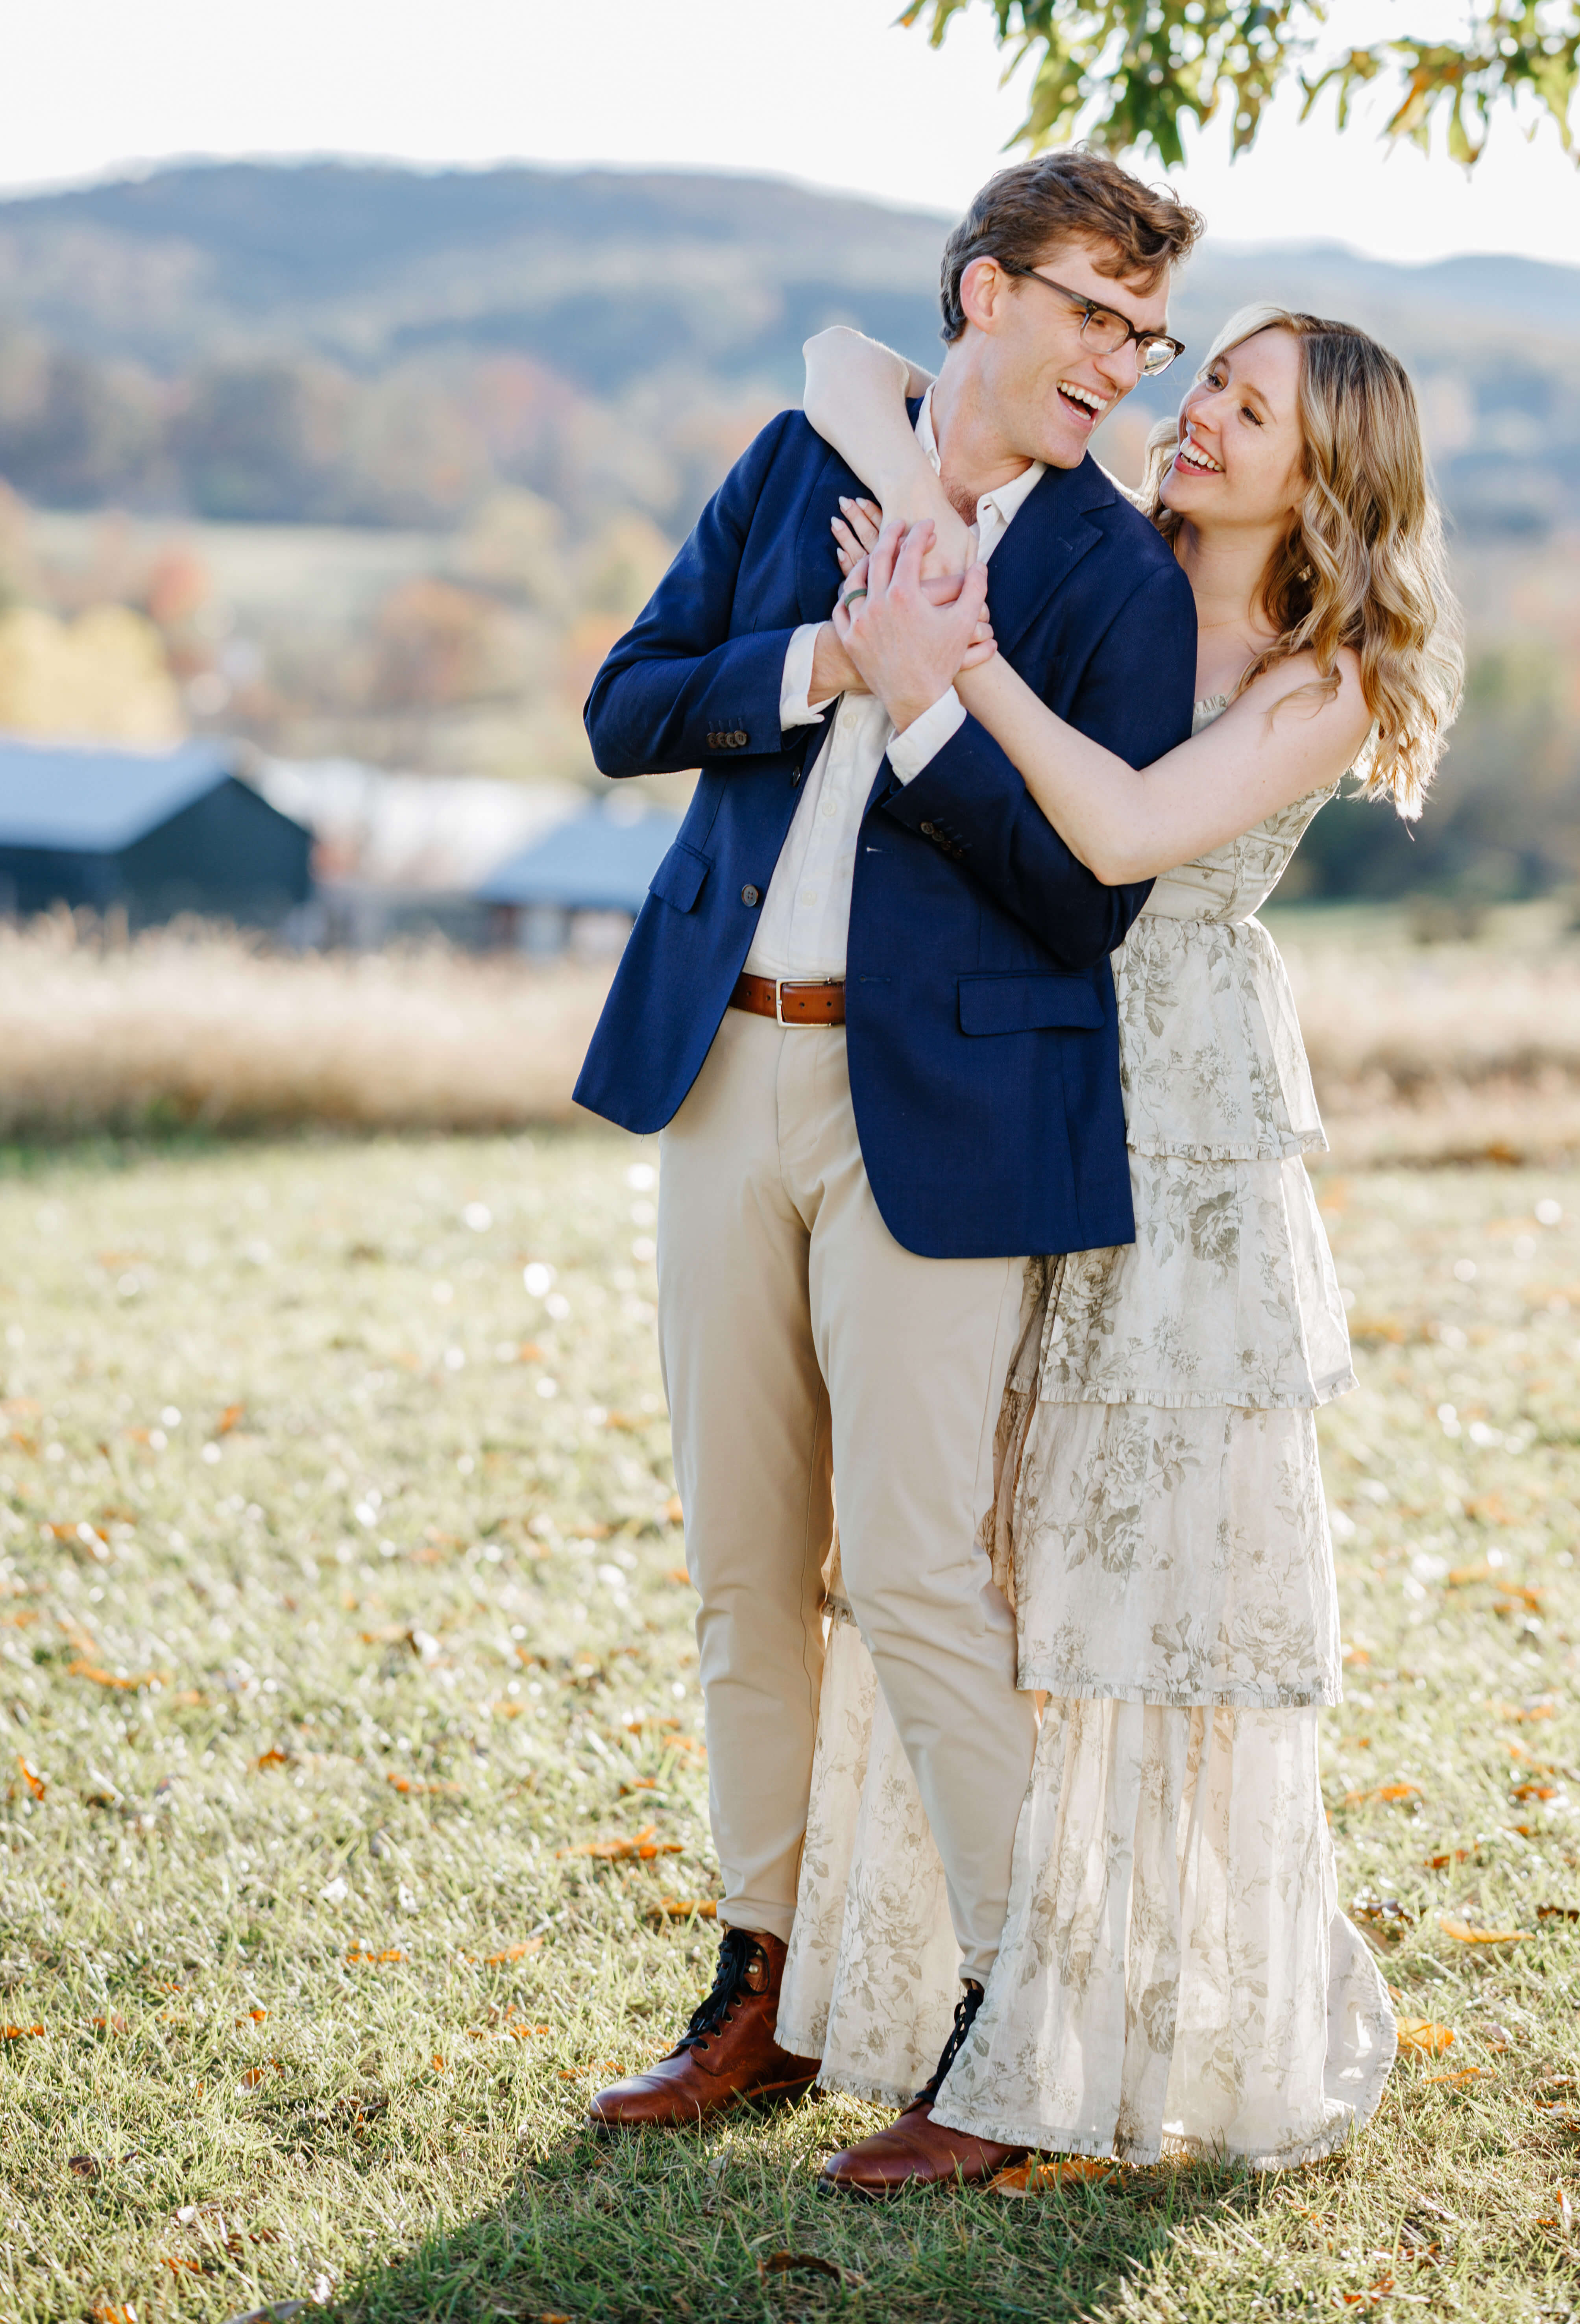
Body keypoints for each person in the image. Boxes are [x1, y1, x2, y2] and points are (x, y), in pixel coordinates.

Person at [783, 303, 1464, 2189]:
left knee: (1132, 1583)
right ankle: (986, 1995)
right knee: (978, 1542)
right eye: (1208, 381)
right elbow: (845, 364)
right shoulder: (1104, 546)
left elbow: (1124, 833)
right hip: (1024, 1067)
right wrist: (949, 477)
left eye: (1250, 409)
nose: (1202, 419)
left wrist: (960, 663)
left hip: (1177, 1120)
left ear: (1327, 477)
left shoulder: (1332, 671)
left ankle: (1065, 2050)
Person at [570, 153, 1203, 2165]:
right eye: (1093, 312)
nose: (1121, 362)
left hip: (942, 1109)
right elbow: (623, 705)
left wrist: (932, 703)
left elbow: (1080, 900)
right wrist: (833, 661)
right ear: (979, 293)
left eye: (1146, 331)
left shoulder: (1115, 578)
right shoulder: (794, 465)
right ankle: (760, 1980)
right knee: (739, 1560)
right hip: (720, 1071)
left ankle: (1021, 2031)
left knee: (922, 1570)